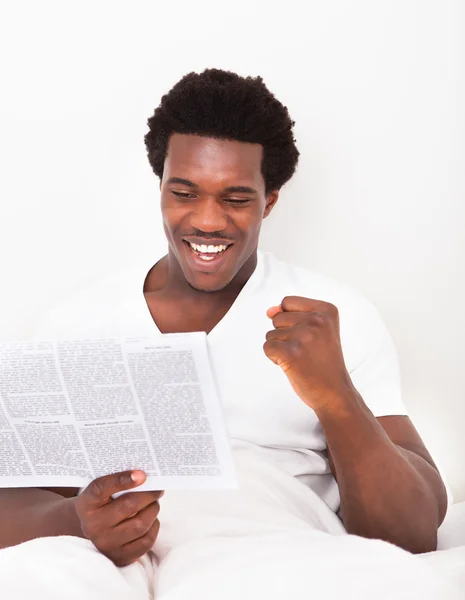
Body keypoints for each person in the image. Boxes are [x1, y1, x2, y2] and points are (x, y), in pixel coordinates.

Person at [0, 68, 462, 599]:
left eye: (236, 198)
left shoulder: (330, 319)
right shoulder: (79, 321)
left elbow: (412, 531)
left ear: (270, 201)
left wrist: (335, 396)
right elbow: (14, 503)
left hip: (267, 553)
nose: (208, 220)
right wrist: (73, 519)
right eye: (185, 192)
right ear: (161, 190)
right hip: (108, 561)